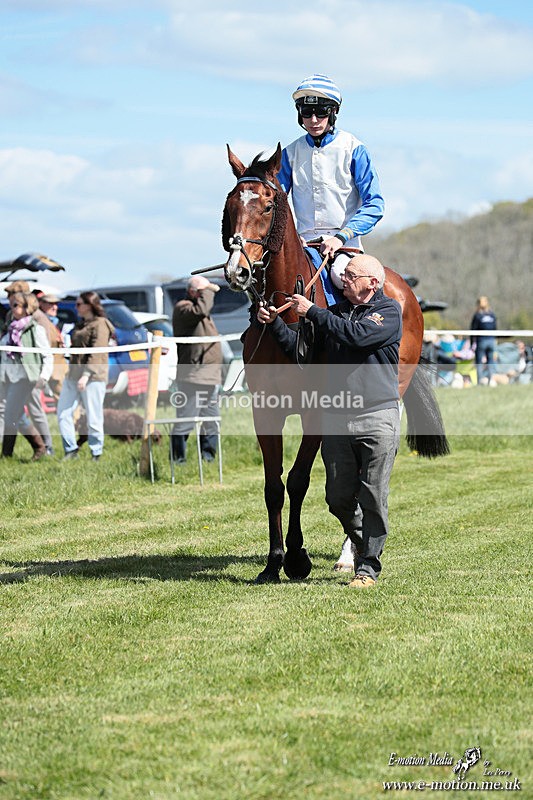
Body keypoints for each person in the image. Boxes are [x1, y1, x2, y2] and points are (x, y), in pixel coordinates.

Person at [257, 254, 402, 588]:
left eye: (351, 275)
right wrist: (274, 324)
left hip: (377, 415)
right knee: (337, 498)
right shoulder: (332, 316)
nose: (343, 279)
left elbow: (358, 337)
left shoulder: (388, 312)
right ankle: (367, 546)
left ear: (373, 283)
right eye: (344, 275)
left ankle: (367, 569)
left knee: (372, 494)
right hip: (336, 415)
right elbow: (301, 353)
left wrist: (314, 312)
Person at [277, 74, 384, 289]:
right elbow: (276, 203)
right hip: (302, 245)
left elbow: (375, 205)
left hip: (344, 247)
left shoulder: (354, 149)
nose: (313, 120)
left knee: (341, 278)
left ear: (333, 112)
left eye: (321, 112)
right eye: (307, 113)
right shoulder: (289, 154)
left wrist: (341, 237)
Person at [57, 292, 114, 461]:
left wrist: (86, 375)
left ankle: (96, 452)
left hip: (93, 377)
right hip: (73, 375)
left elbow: (97, 352)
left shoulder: (101, 324)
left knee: (93, 415)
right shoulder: (81, 324)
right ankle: (70, 449)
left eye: (79, 304)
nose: (76, 307)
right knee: (63, 413)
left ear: (89, 305)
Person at [171, 276, 222, 463]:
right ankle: (178, 461)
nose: (207, 296)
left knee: (211, 422)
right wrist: (207, 289)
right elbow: (201, 309)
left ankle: (208, 460)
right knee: (185, 422)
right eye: (203, 292)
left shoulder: (199, 311)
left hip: (209, 376)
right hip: (193, 376)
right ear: (193, 292)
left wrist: (205, 289)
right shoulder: (183, 308)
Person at [0, 292, 53, 459]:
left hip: (25, 379)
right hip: (8, 378)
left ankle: (37, 447)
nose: (12, 308)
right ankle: (15, 453)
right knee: (18, 416)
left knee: (10, 417)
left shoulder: (35, 330)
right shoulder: (10, 328)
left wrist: (43, 377)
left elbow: (47, 355)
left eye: (16, 305)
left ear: (26, 308)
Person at [37, 293, 68, 402]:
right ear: (41, 304)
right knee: (64, 401)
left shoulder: (50, 321)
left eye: (56, 304)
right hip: (54, 369)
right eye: (51, 304)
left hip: (59, 367)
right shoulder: (41, 320)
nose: (55, 307)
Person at [470, 296, 497, 386]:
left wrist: (471, 344)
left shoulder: (477, 315)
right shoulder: (492, 314)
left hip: (482, 340)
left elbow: (472, 330)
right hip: (491, 340)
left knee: (479, 361)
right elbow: (495, 328)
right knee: (490, 361)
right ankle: (490, 380)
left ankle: (479, 381)